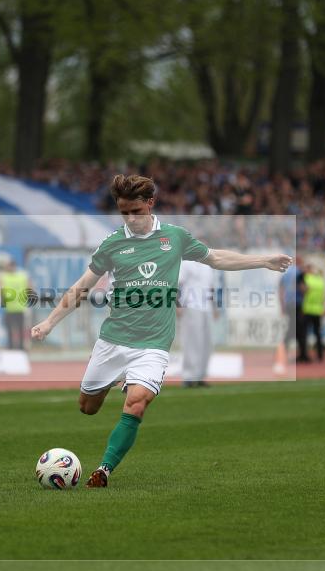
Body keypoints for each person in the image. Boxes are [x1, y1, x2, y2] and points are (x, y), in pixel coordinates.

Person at [31, 174, 292, 487]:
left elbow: (216, 258)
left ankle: (104, 470)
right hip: (114, 340)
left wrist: (263, 260)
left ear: (150, 204)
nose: (130, 219)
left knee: (137, 401)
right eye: (123, 213)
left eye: (135, 212)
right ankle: (116, 378)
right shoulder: (113, 244)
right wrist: (49, 322)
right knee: (88, 407)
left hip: (154, 343)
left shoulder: (174, 237)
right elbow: (81, 287)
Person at [177, 259, 217, 388]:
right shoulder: (186, 263)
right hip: (191, 304)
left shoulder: (208, 267)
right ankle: (189, 376)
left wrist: (215, 307)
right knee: (191, 342)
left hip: (206, 308)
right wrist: (177, 305)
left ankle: (200, 375)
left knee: (206, 343)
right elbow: (178, 284)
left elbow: (211, 288)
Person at [0, 257, 31, 350]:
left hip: (18, 308)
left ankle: (15, 348)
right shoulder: (22, 276)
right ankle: (16, 347)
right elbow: (30, 287)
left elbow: (0, 290)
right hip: (13, 308)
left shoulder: (6, 277)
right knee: (13, 329)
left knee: (17, 329)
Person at [300, 264, 325, 362]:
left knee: (304, 334)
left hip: (307, 309)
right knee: (318, 334)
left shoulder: (306, 278)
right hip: (318, 310)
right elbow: (323, 295)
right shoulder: (320, 280)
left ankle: (305, 355)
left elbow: (303, 291)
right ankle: (320, 355)